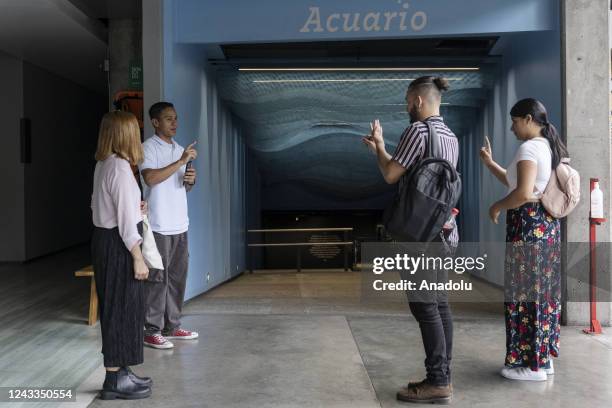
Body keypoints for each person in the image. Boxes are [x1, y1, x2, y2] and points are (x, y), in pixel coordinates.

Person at [363, 76, 458, 404]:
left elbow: (391, 174)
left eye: (407, 101)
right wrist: (382, 148)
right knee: (440, 303)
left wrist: (378, 148)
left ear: (418, 100)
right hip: (445, 231)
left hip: (420, 236)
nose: (406, 107)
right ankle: (443, 374)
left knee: (424, 306)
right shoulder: (450, 136)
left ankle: (437, 380)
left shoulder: (418, 131)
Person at [480, 98, 563, 381]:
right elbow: (515, 182)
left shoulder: (529, 147)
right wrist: (490, 164)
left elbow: (523, 193)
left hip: (528, 226)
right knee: (542, 293)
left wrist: (496, 207)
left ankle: (531, 367)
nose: (513, 128)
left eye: (515, 122)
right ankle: (543, 360)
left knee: (525, 293)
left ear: (528, 119)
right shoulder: (547, 147)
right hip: (545, 228)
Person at [91, 111, 152, 400]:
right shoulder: (120, 168)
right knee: (124, 308)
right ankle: (115, 379)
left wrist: (135, 210)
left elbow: (101, 207)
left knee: (115, 308)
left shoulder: (104, 164)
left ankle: (121, 372)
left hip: (104, 241)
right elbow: (127, 224)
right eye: (135, 131)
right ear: (125, 135)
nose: (138, 135)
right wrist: (137, 257)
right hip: (119, 245)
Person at [140, 102, 199, 349]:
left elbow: (180, 187)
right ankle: (150, 330)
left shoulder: (178, 148)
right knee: (157, 280)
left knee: (177, 279)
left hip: (180, 224)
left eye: (175, 118)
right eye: (168, 119)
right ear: (155, 122)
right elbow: (151, 178)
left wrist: (190, 180)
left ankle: (172, 326)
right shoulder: (148, 148)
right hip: (158, 226)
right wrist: (181, 161)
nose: (174, 123)